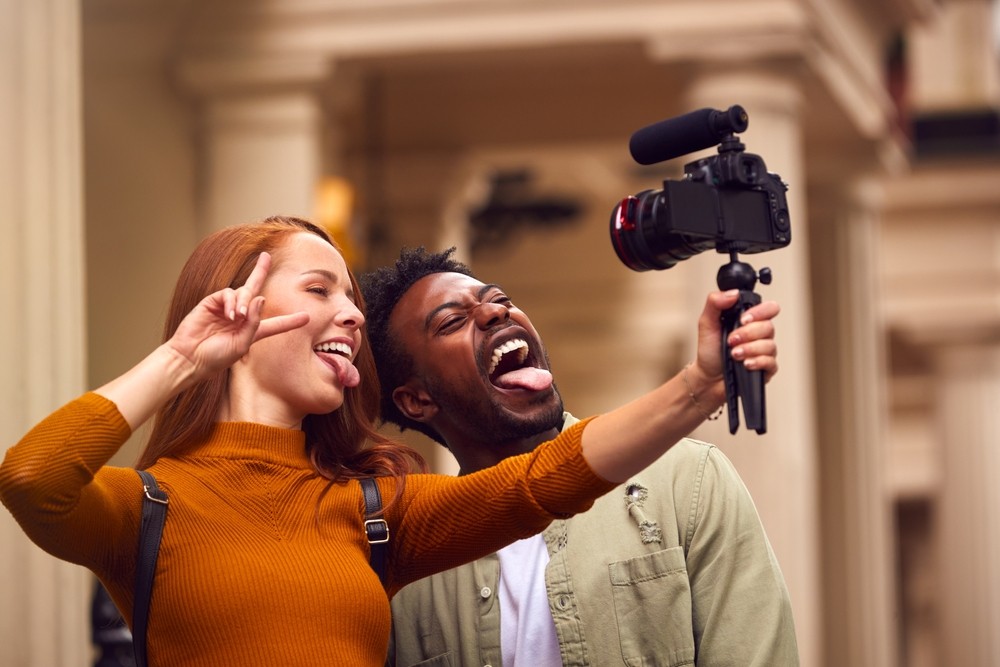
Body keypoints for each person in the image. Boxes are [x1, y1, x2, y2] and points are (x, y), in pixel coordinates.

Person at [0, 217, 777, 667]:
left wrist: (697, 386)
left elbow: (542, 481)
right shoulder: (150, 508)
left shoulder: (371, 511)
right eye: (319, 289)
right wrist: (183, 357)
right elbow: (34, 476)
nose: (349, 314)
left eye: (350, 295)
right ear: (234, 306)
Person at [360, 247, 798, 666]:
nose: (496, 312)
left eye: (500, 299)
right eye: (452, 321)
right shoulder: (407, 563)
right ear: (416, 400)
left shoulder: (687, 479)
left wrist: (704, 382)